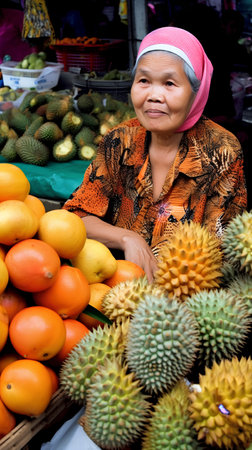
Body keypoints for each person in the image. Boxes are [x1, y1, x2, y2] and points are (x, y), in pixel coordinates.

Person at [63, 26, 247, 282]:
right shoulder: (120, 140)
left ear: (196, 91)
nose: (154, 96)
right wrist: (128, 238)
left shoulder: (222, 151)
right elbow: (75, 217)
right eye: (144, 81)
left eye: (170, 83)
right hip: (115, 290)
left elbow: (222, 249)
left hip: (184, 302)